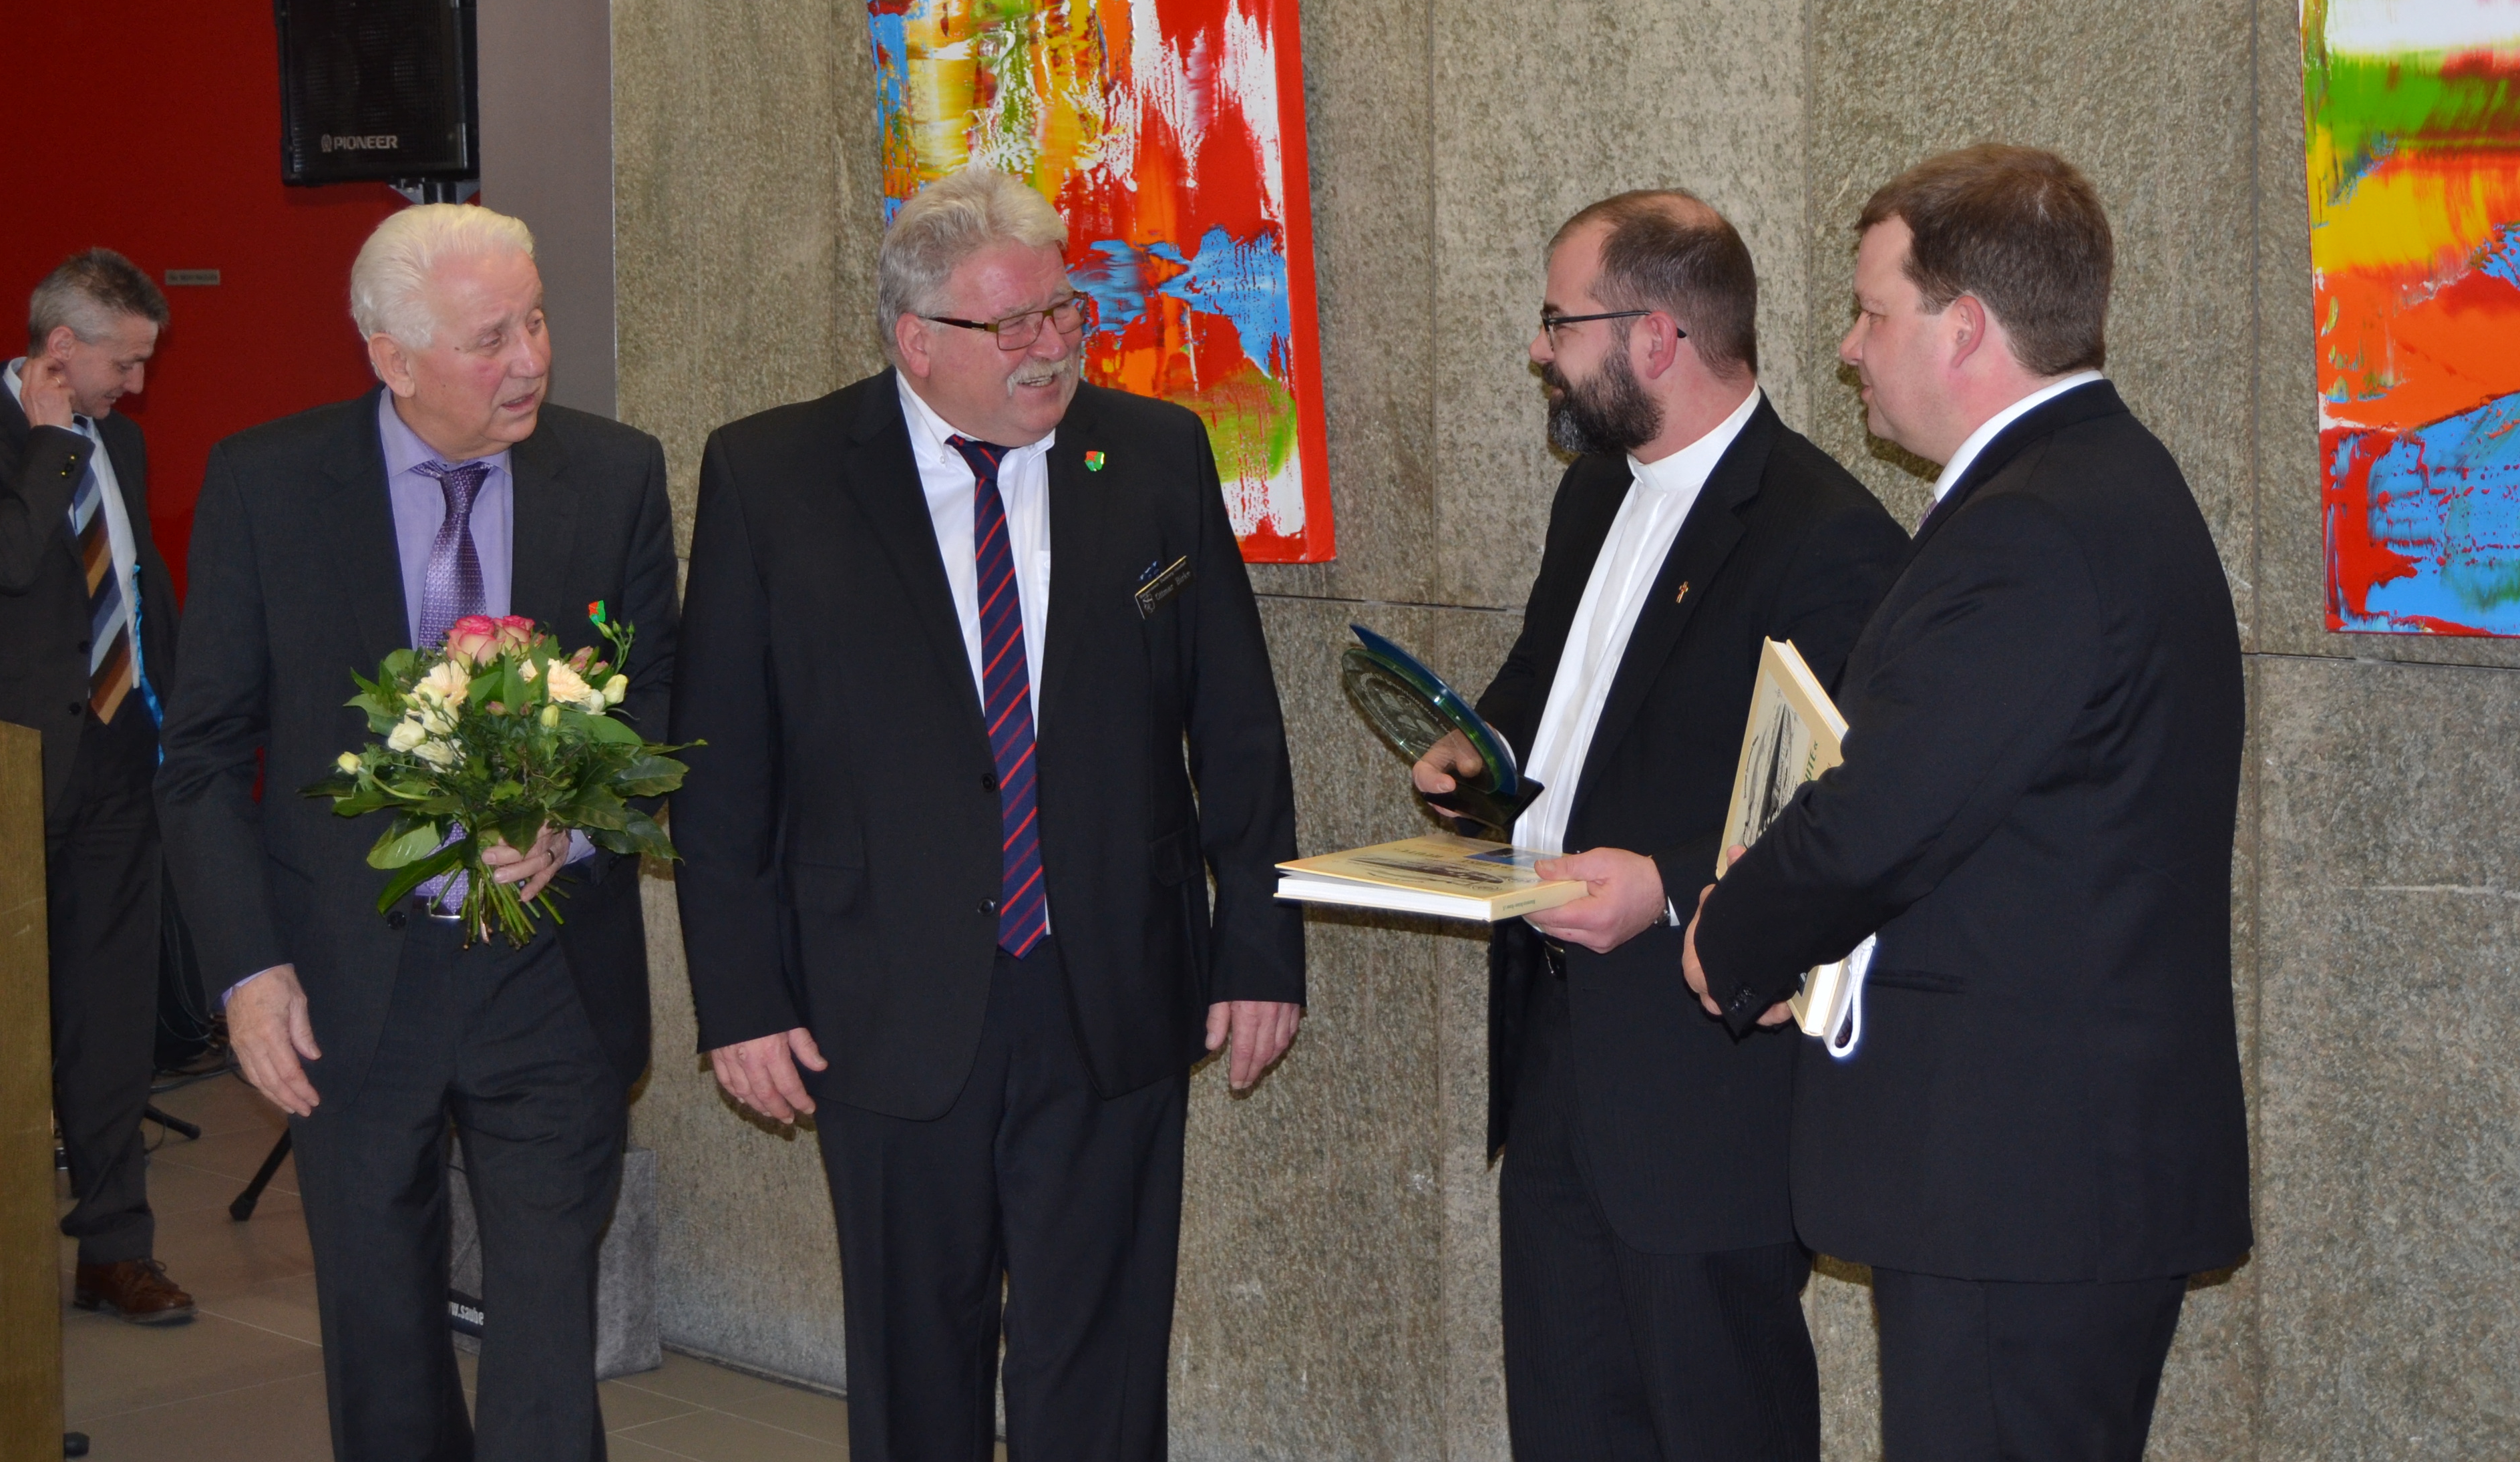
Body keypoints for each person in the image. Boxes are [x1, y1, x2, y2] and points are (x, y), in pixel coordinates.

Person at [672, 166, 1305, 1462]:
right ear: (917, 340)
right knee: (917, 1367)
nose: (1051, 347)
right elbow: (723, 769)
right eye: (1012, 325)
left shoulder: (1153, 454)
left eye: (1064, 312)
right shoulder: (773, 475)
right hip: (882, 998)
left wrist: (1260, 949)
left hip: (1111, 986)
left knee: (1102, 1369)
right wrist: (739, 999)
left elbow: (1237, 728)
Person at [1685, 145, 2252, 1462]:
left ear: (1968, 328)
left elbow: (1884, 815)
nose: (1848, 349)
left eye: (1872, 311)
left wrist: (1734, 936)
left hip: (2022, 1185)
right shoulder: (2098, 484)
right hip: (2049, 1181)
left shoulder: (2034, 528)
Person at [156, 204, 680, 1461]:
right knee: (382, 1333)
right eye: (491, 338)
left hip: (552, 976)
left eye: (537, 321)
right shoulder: (268, 483)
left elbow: (659, 705)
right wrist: (246, 970)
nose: (531, 360)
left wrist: (574, 827)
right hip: (346, 981)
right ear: (391, 357)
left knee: (548, 1332)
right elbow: (204, 755)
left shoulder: (614, 474)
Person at [1407, 192, 1907, 1462]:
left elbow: (1837, 814)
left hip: (1700, 1089)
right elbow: (1549, 684)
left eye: (1557, 321)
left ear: (1657, 338)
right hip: (1555, 1053)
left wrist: (1670, 887)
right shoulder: (1593, 495)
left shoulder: (1827, 536)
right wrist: (1482, 751)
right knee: (1568, 1423)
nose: (1538, 351)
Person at [0, 248, 192, 1324]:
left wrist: (186, 720)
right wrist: (47, 441)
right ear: (61, 349)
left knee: (111, 1021)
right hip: (4, 772)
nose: (139, 385)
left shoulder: (125, 439)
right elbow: (7, 559)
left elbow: (137, 587)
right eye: (125, 362)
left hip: (121, 762)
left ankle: (116, 1250)